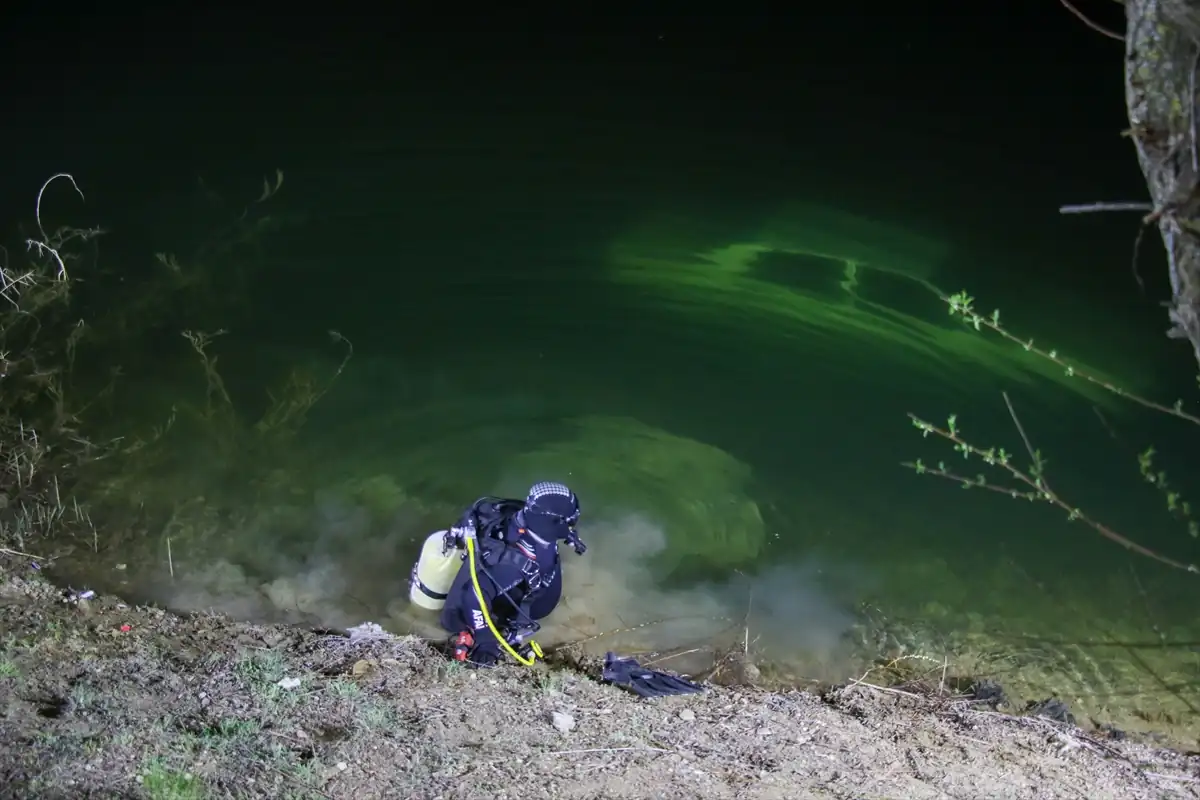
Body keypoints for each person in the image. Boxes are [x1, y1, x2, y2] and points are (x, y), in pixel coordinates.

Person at [439, 481, 586, 667]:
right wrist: (486, 641)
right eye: (570, 521)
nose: (572, 526)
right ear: (552, 522)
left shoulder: (525, 517)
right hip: (517, 601)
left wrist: (567, 534)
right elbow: (474, 593)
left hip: (525, 568)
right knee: (485, 596)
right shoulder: (516, 566)